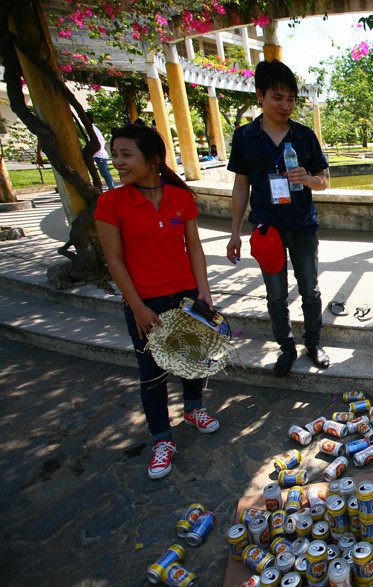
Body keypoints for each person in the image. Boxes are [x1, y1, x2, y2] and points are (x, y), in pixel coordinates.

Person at [95, 124, 220, 480]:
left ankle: (194, 409)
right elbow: (114, 260)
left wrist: (203, 290)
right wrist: (137, 307)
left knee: (192, 356)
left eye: (125, 154)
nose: (117, 161)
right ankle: (162, 438)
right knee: (151, 372)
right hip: (144, 299)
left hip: (184, 295)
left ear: (152, 159)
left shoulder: (181, 198)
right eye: (115, 154)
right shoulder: (111, 202)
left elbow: (193, 247)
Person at [227, 60, 330, 375]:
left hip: (302, 225)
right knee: (276, 294)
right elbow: (240, 186)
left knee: (310, 289)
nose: (286, 105)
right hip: (266, 229)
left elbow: (324, 181)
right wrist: (234, 233)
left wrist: (307, 179)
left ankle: (313, 342)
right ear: (260, 94)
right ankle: (286, 347)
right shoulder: (245, 137)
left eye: (291, 99)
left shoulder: (304, 136)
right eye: (277, 97)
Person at [87, 112, 116, 191]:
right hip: (99, 155)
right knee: (104, 173)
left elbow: (97, 143)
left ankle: (112, 188)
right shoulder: (93, 129)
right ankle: (111, 188)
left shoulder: (92, 129)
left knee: (105, 173)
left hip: (100, 155)